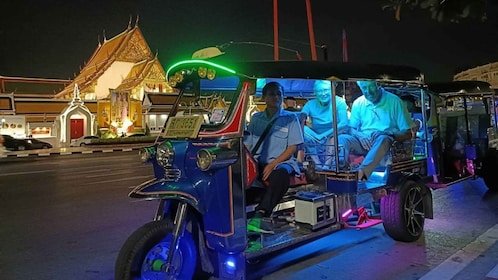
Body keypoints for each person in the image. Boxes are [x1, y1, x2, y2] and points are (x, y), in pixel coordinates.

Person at [244, 82, 304, 233]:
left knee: (281, 174)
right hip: (259, 162)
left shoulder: (291, 118)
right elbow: (248, 145)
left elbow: (293, 147)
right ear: (264, 97)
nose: (275, 97)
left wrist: (273, 164)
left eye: (278, 94)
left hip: (282, 162)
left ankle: (261, 215)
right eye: (271, 94)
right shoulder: (256, 118)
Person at [340, 80, 413, 181]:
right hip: (363, 141)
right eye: (364, 88)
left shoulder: (395, 101)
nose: (368, 91)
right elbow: (351, 129)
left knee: (383, 138)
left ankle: (363, 174)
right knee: (342, 139)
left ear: (378, 85)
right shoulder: (358, 103)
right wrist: (359, 135)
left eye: (371, 87)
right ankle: (339, 172)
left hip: (385, 142)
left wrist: (389, 133)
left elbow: (407, 133)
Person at [301, 80, 349, 169]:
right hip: (315, 137)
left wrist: (324, 136)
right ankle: (318, 164)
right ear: (315, 92)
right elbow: (301, 118)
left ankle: (327, 165)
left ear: (332, 90)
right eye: (320, 91)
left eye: (326, 90)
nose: (323, 94)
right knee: (303, 131)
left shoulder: (339, 102)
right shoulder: (310, 104)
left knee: (334, 137)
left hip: (334, 134)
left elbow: (344, 123)